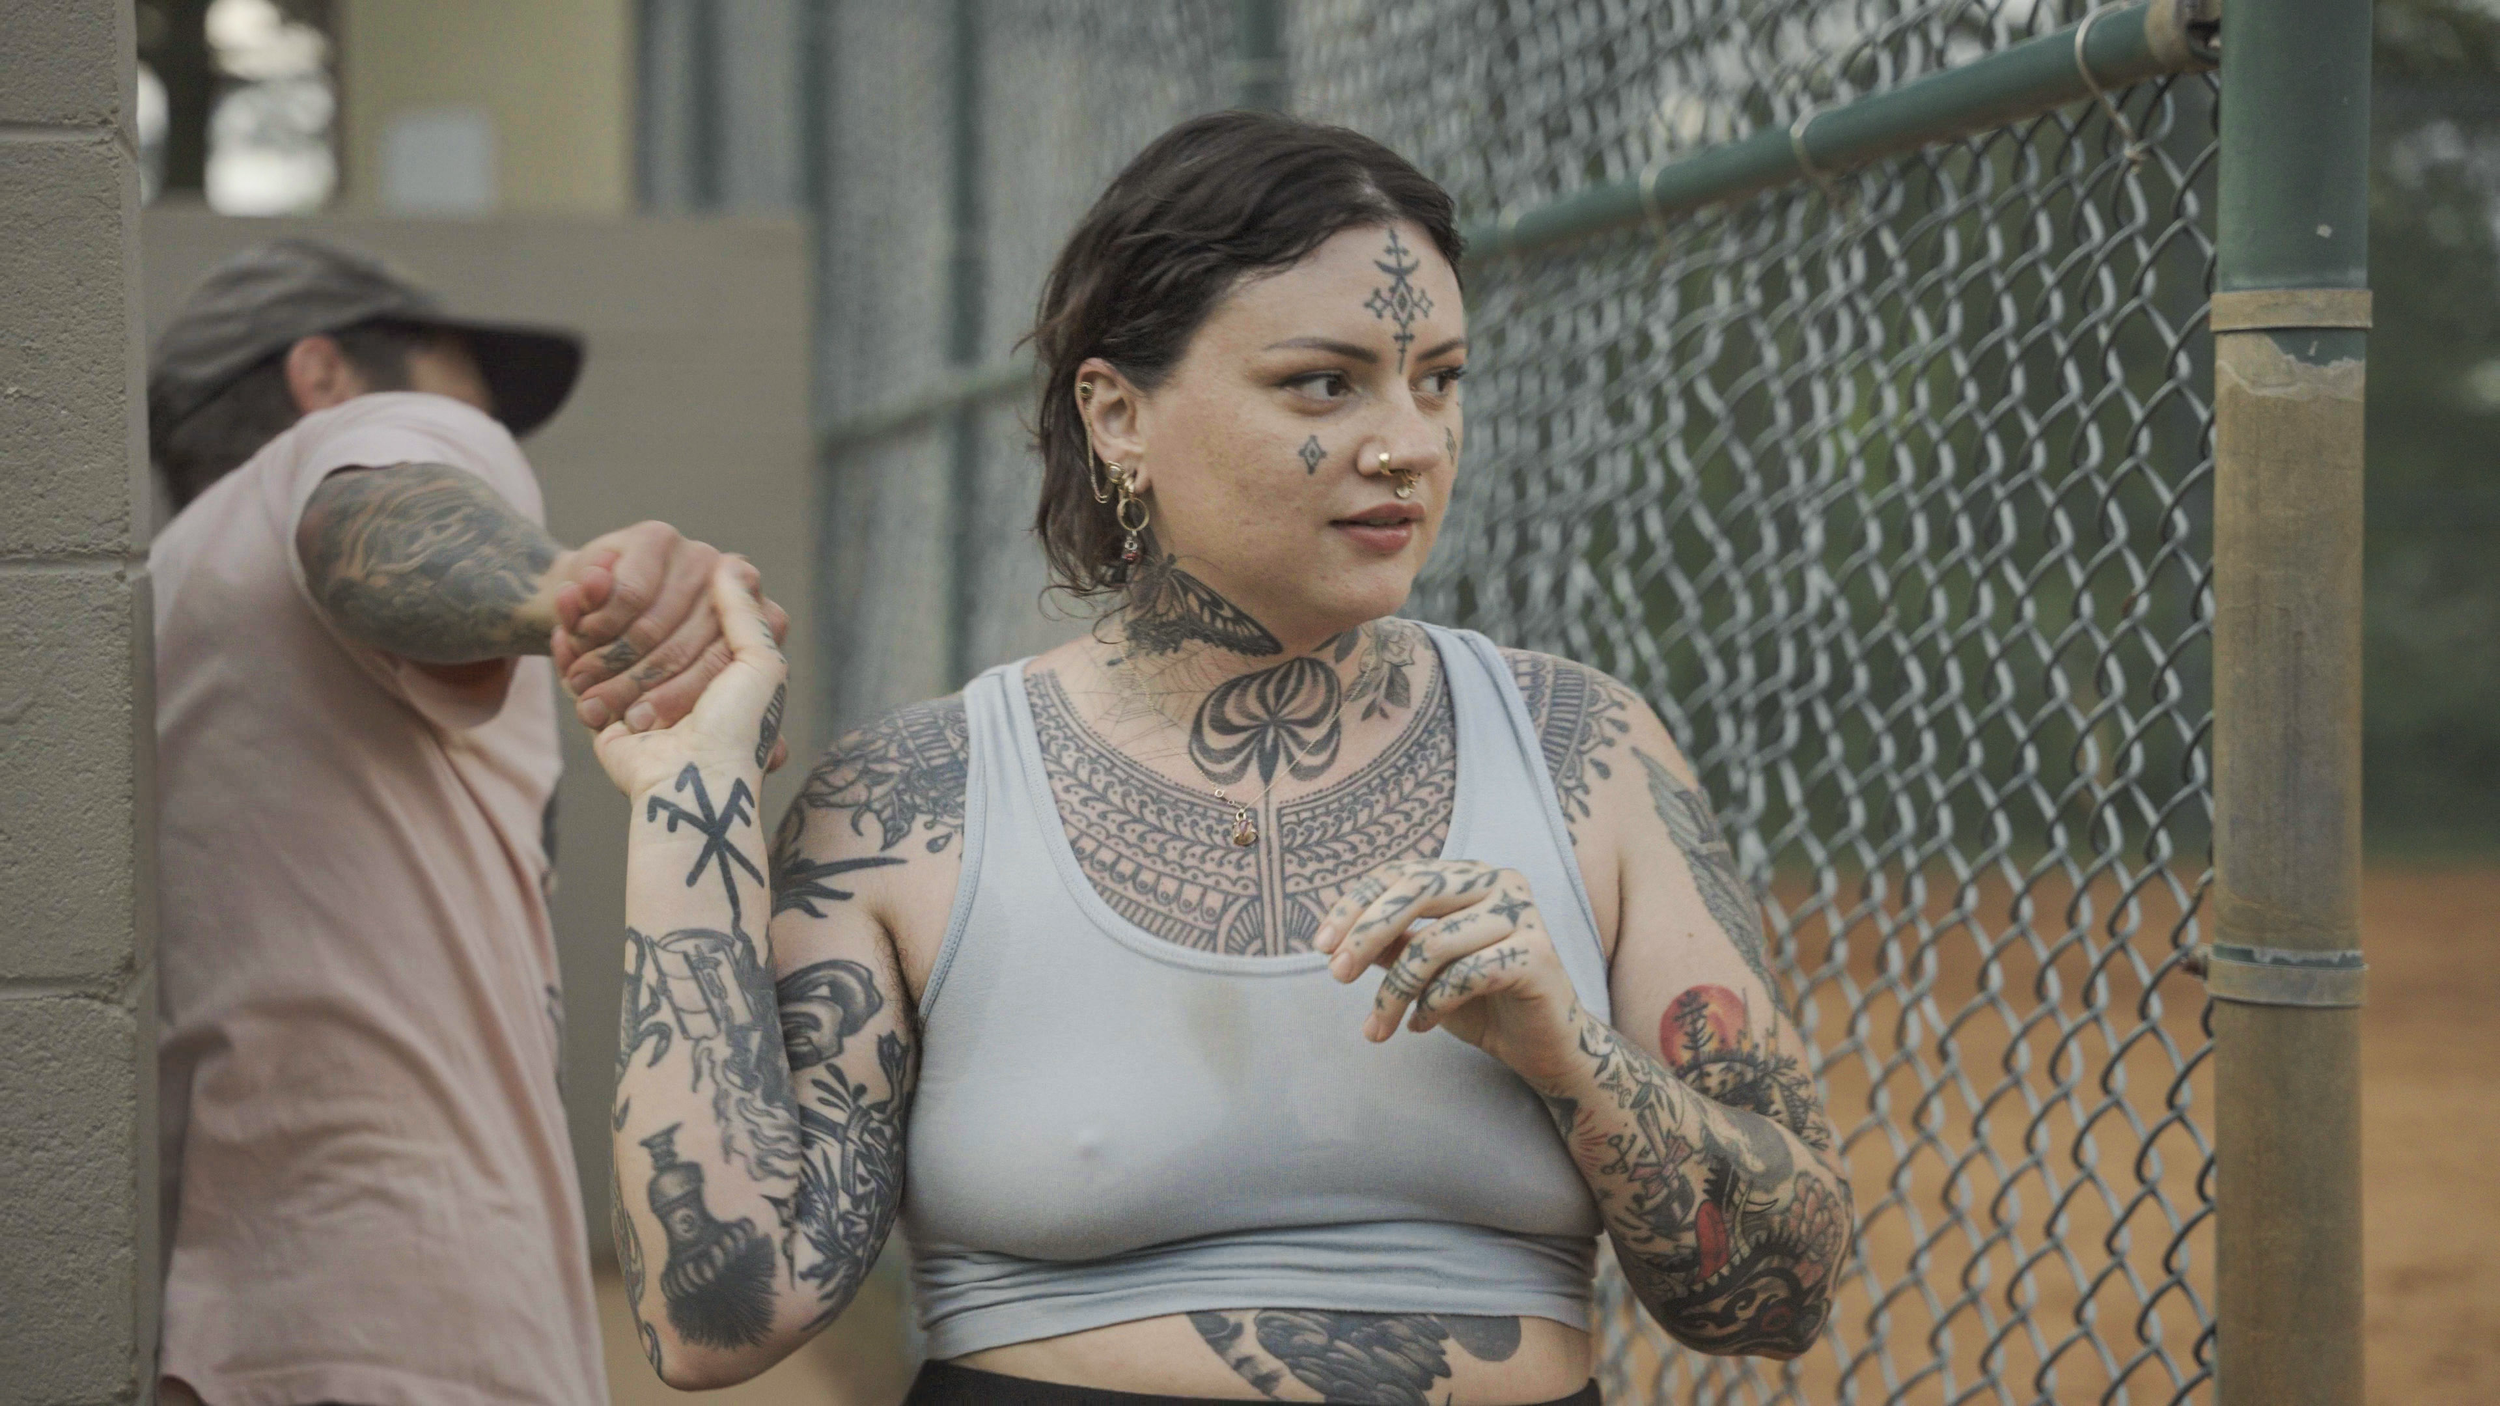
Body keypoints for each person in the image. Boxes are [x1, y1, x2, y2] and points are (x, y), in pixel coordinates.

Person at [596, 112, 1853, 1405]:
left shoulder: (1584, 751)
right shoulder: (918, 801)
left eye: (1440, 378)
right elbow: (715, 1310)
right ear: (1118, 412)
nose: (1409, 442)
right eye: (1326, 380)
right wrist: (688, 790)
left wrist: (1563, 1045)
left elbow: (1782, 1289)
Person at [147, 238, 787, 1406]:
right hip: (407, 1299)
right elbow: (378, 517)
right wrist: (577, 599)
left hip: (227, 1310)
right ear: (322, 376)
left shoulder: (163, 593)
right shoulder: (346, 443)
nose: (487, 434)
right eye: (455, 397)